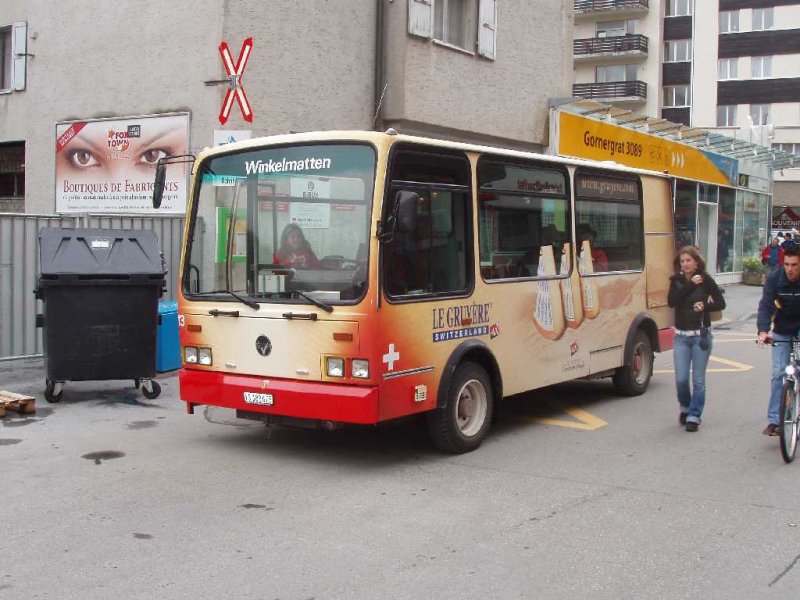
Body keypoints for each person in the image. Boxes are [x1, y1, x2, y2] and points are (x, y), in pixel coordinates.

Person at [667, 246, 726, 432]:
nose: (685, 264)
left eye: (688, 261)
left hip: (701, 336)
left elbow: (721, 303)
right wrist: (690, 284)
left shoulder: (706, 280)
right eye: (682, 261)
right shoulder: (676, 281)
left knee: (698, 381)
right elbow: (672, 301)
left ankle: (694, 415)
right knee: (681, 380)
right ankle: (685, 408)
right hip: (681, 337)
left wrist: (705, 307)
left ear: (696, 262)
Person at [757, 246, 800, 435]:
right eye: (787, 265)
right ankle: (775, 420)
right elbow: (766, 305)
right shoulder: (775, 278)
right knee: (778, 374)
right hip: (782, 328)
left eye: (795, 265)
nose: (790, 269)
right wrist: (763, 330)